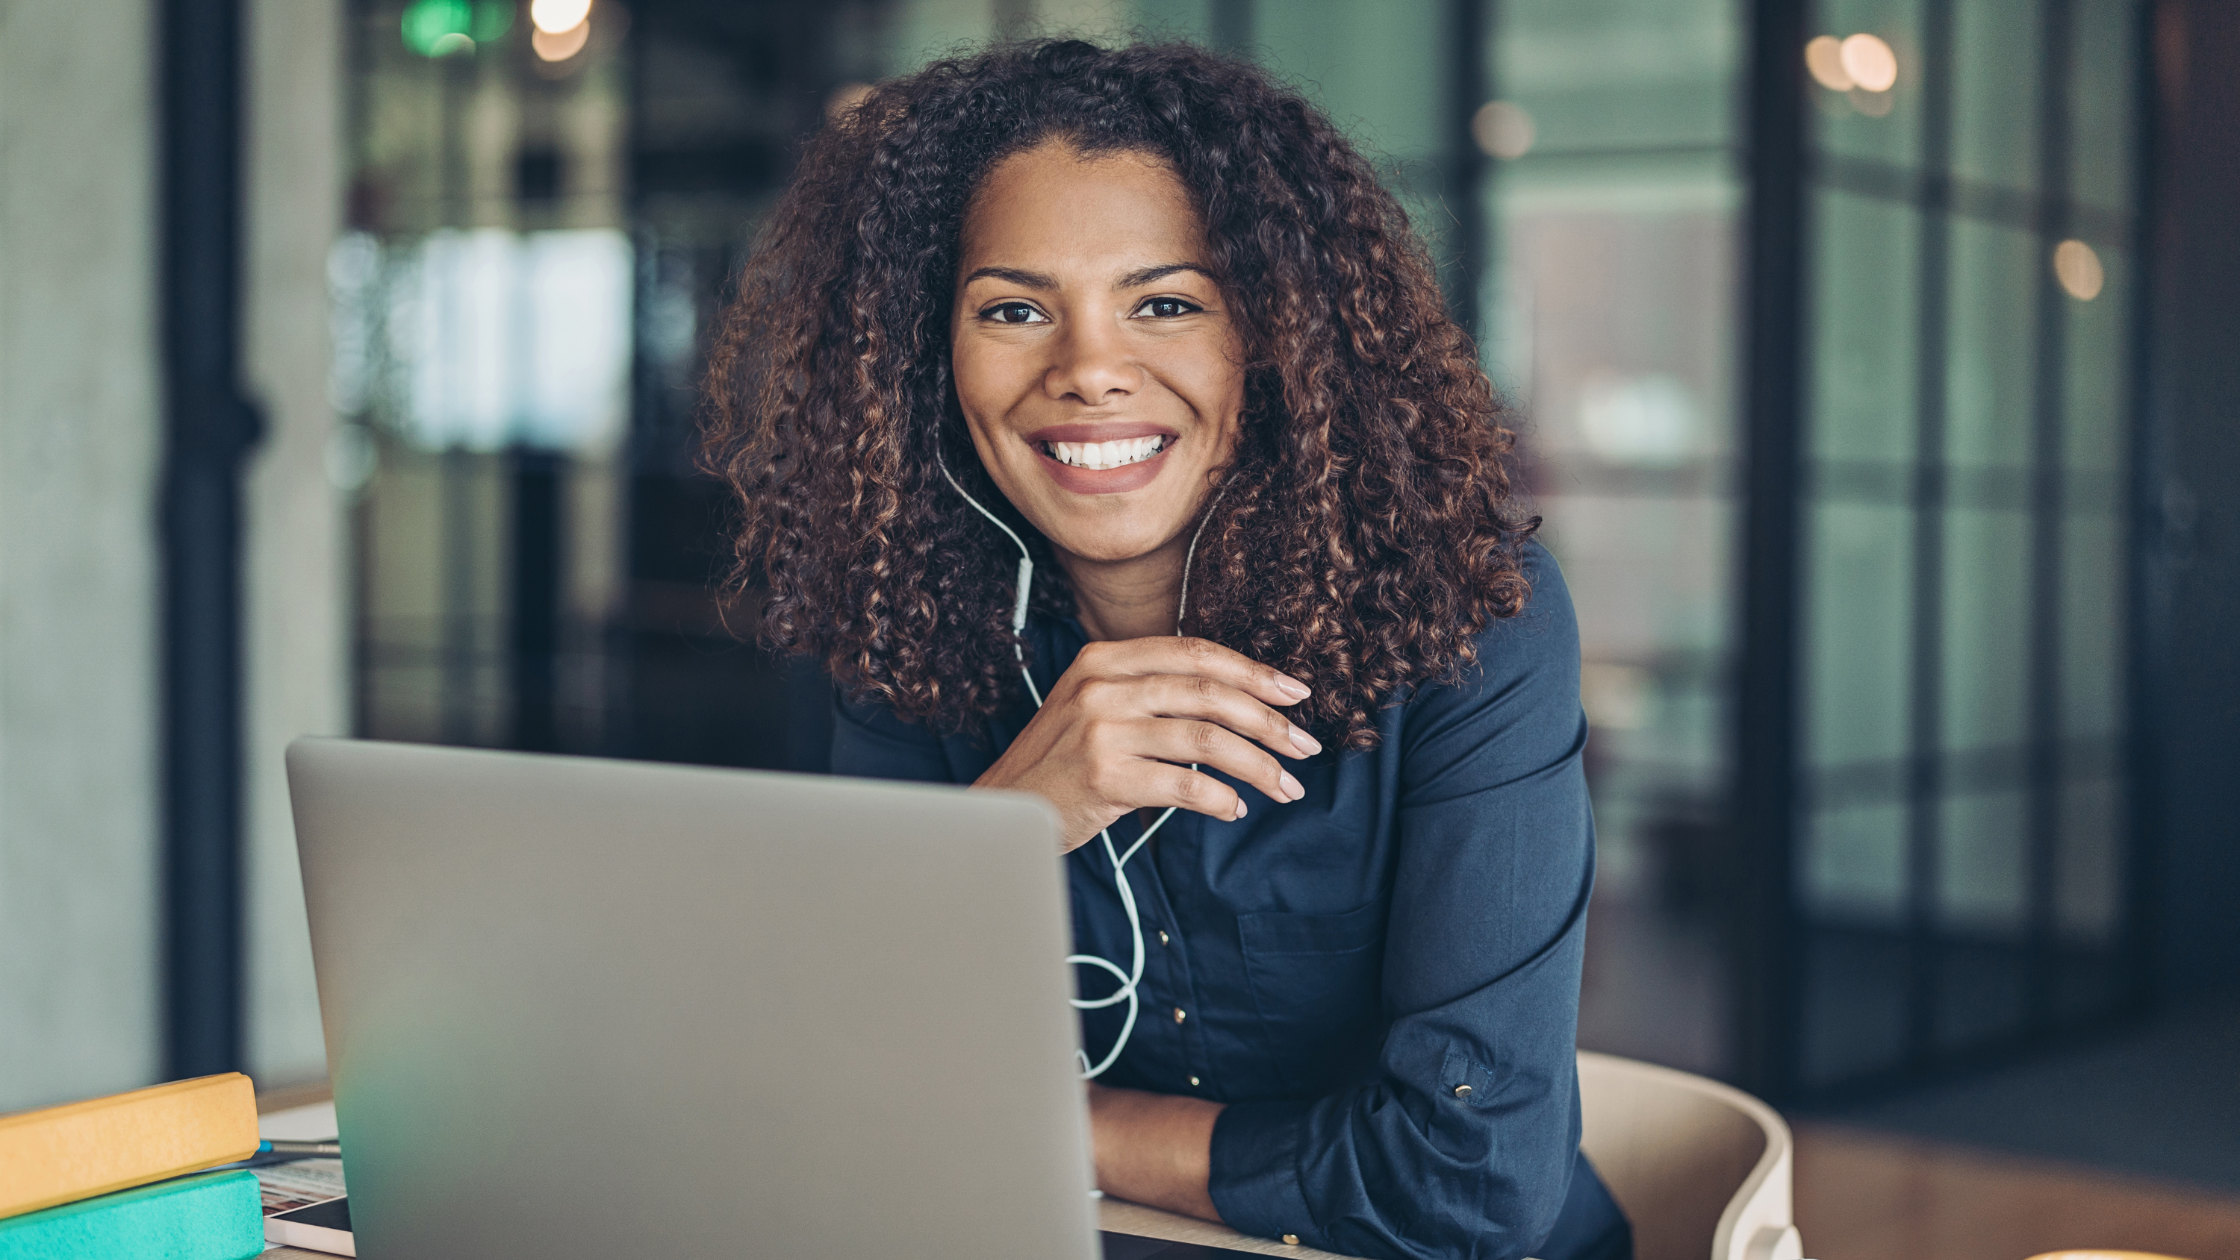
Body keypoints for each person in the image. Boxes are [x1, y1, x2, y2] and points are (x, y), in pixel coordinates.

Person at [701, 38, 1631, 1260]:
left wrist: (1052, 1124)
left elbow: (1466, 1185)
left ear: (1273, 339)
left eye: (1165, 302)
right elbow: (833, 1076)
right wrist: (1007, 829)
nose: (1087, 370)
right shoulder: (909, 625)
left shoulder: (1470, 621)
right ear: (929, 356)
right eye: (1014, 309)